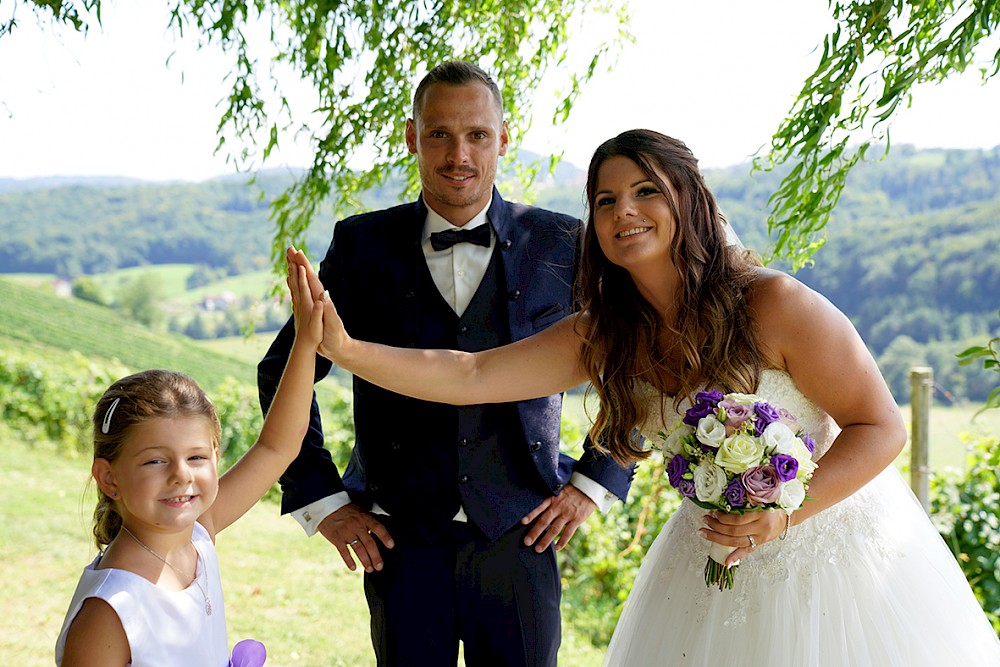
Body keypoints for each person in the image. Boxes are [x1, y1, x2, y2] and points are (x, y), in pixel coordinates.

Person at [293, 129, 1000, 665]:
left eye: (645, 191)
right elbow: (472, 374)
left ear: (687, 200)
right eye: (605, 200)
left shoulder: (776, 304)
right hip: (707, 565)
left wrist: (779, 521)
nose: (623, 211)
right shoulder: (604, 334)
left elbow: (880, 425)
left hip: (835, 563)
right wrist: (347, 350)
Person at [256, 61, 633, 666]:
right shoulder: (362, 245)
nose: (459, 153)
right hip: (399, 543)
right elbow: (284, 368)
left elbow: (638, 368)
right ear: (412, 138)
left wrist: (594, 483)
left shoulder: (566, 243)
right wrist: (321, 498)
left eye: (477, 135)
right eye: (439, 134)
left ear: (503, 139)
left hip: (523, 537)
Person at [55, 250, 324, 666]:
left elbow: (278, 446)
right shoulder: (109, 613)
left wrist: (306, 341)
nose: (182, 475)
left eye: (196, 456)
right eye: (154, 461)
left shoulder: (199, 535)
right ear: (109, 478)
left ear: (216, 457)